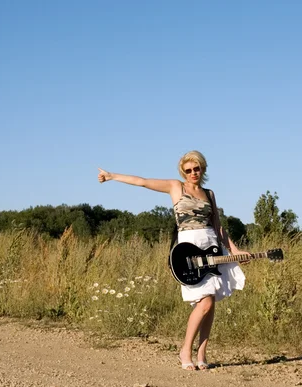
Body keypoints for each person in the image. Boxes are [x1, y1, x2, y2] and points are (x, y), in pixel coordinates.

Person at [97, 150, 249, 371]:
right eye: (188, 170)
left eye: (196, 169)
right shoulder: (176, 187)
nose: (192, 173)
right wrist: (112, 176)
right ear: (182, 171)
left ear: (202, 168)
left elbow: (218, 226)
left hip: (210, 245)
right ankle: (185, 350)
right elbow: (142, 182)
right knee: (204, 301)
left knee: (210, 301)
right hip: (188, 248)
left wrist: (235, 250)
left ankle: (202, 353)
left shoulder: (209, 193)